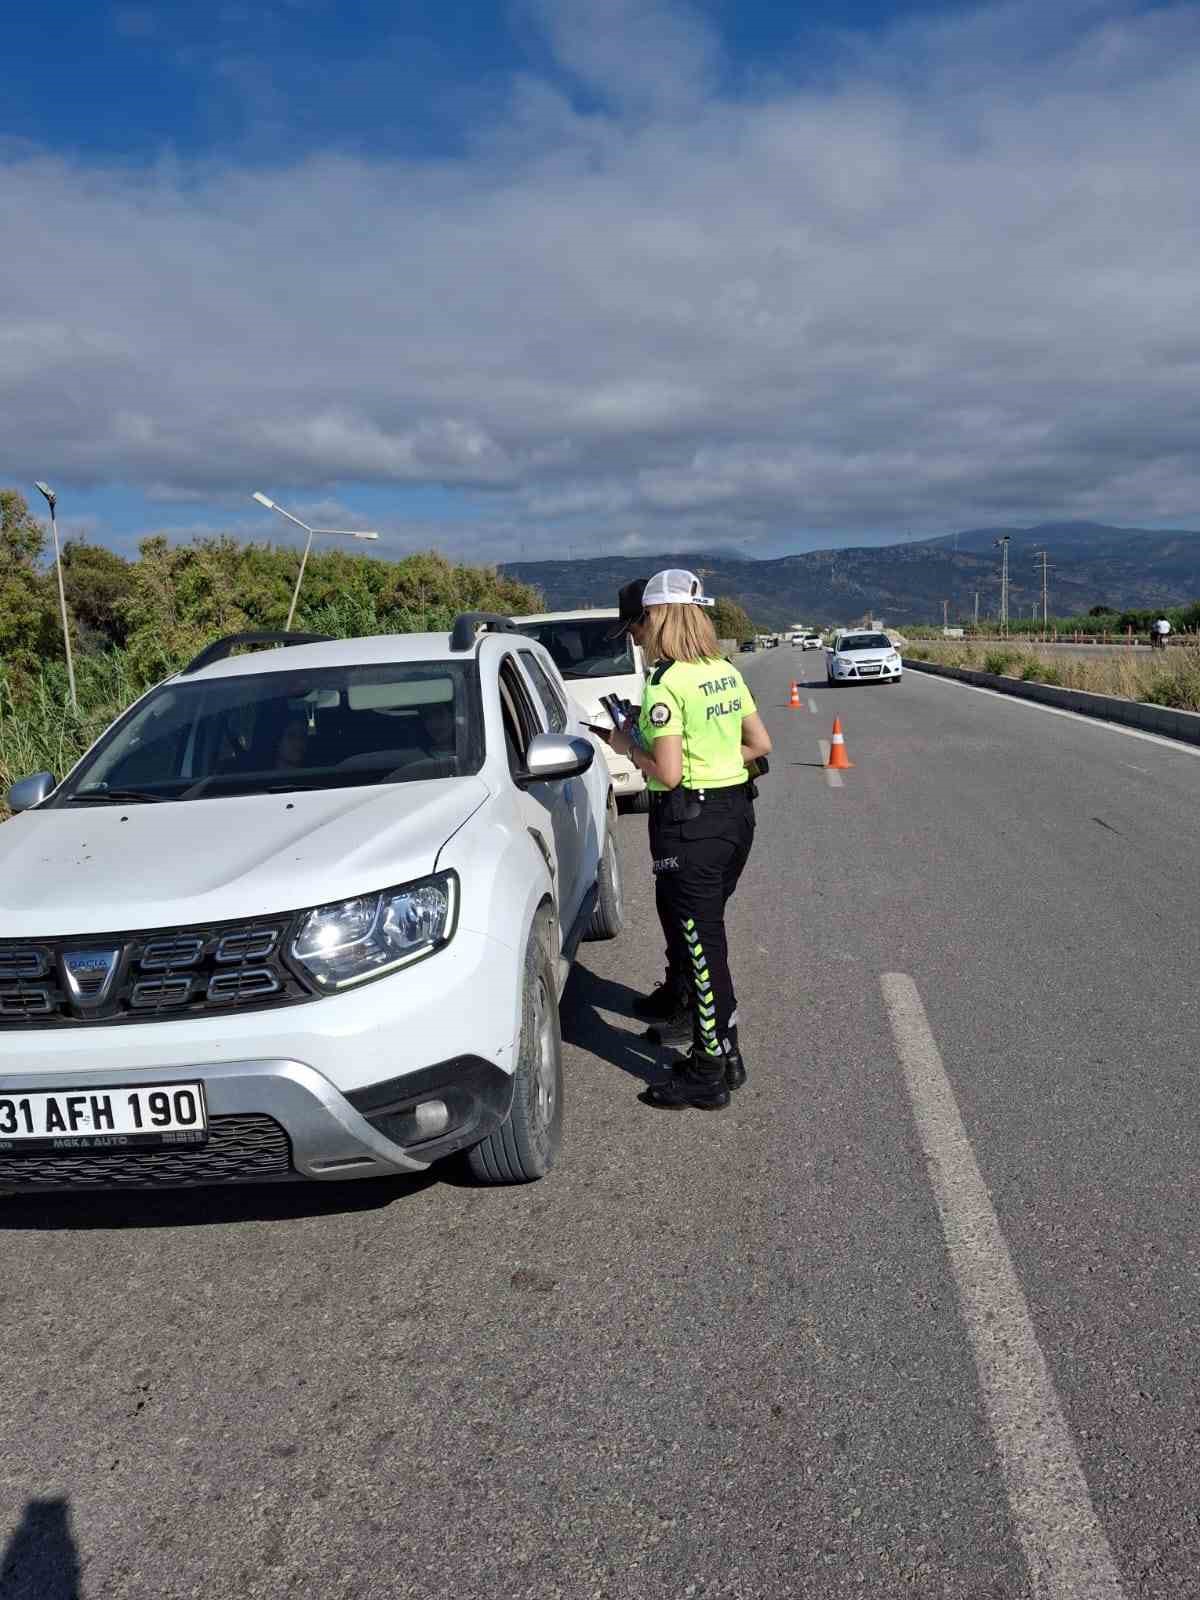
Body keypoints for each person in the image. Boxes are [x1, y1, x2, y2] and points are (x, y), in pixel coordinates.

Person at [605, 568, 772, 1110]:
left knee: (702, 951)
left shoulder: (666, 681)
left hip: (691, 824)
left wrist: (625, 742)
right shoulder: (722, 669)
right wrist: (715, 761)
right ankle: (726, 1054)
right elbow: (759, 743)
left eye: (643, 622)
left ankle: (707, 1073)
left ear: (656, 618)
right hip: (735, 817)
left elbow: (669, 773)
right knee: (709, 944)